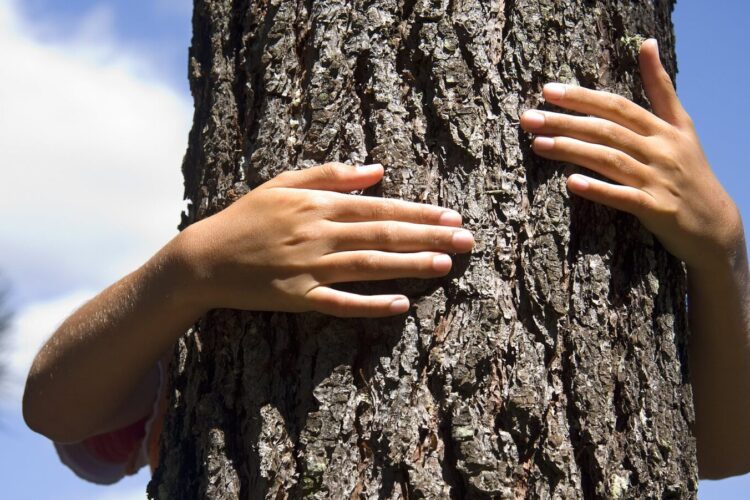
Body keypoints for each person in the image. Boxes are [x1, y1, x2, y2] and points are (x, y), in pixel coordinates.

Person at [22, 39, 749, 483]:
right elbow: (54, 408)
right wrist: (193, 267)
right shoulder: (170, 354)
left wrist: (720, 252)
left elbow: (717, 453)